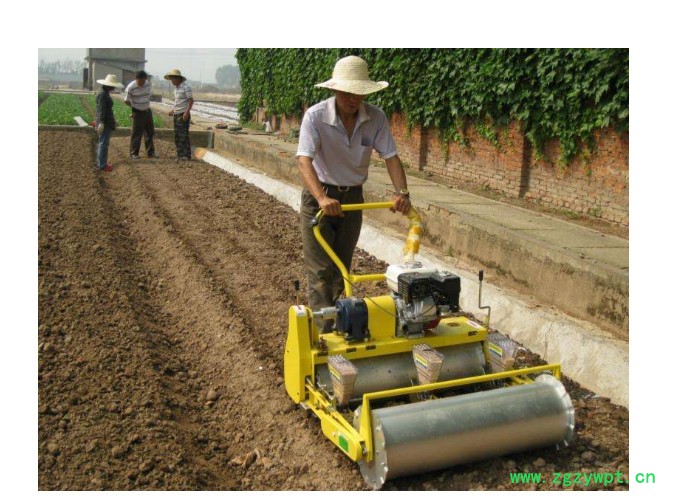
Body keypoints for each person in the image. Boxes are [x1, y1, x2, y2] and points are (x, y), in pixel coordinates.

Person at [296, 55, 412, 331]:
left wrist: (402, 193)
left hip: (353, 201)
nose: (352, 98)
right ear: (335, 90)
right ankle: (324, 337)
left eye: (358, 93)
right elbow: (304, 160)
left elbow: (391, 157)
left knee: (341, 270)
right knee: (320, 272)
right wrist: (323, 198)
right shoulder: (316, 117)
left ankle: (340, 325)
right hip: (320, 199)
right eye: (347, 92)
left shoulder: (376, 118)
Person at [124, 70, 158, 159]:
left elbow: (149, 93)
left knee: (149, 132)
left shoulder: (147, 83)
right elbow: (126, 100)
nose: (142, 83)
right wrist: (134, 107)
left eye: (143, 81)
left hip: (147, 110)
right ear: (136, 79)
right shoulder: (131, 87)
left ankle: (151, 152)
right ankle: (134, 153)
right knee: (136, 133)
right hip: (138, 112)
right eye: (140, 81)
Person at [94, 74, 124, 171]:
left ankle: (101, 163)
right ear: (109, 85)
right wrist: (101, 122)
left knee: (102, 142)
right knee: (104, 143)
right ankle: (102, 165)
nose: (114, 87)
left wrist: (113, 120)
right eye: (113, 85)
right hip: (105, 123)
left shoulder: (103, 92)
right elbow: (102, 110)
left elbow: (103, 110)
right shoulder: (103, 94)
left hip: (105, 121)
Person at [164, 69, 194, 160]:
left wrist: (186, 112)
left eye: (173, 79)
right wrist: (173, 110)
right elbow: (178, 102)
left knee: (183, 135)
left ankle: (186, 155)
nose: (172, 81)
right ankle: (180, 154)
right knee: (177, 135)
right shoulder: (176, 89)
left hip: (183, 114)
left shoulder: (186, 87)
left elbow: (191, 100)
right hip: (177, 114)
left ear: (178, 78)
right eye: (171, 79)